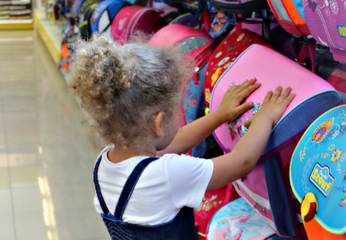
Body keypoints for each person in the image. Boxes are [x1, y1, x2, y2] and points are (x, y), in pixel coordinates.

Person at [71, 37, 295, 240]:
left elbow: (175, 141)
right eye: (175, 110)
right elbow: (241, 162)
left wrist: (220, 115)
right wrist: (264, 117)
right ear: (158, 123)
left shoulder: (106, 162)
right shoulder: (168, 174)